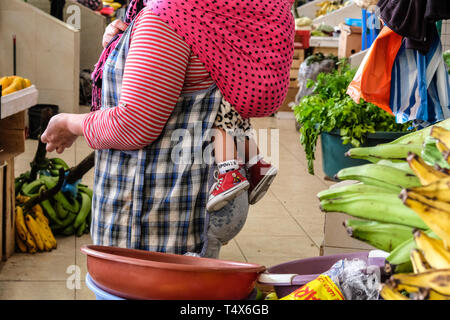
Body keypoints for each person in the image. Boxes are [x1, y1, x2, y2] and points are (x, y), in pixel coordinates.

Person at [41, 0, 295, 255]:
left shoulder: (172, 16)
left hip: (147, 232)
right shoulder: (214, 13)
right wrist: (128, 39)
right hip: (190, 222)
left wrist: (67, 123)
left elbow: (132, 125)